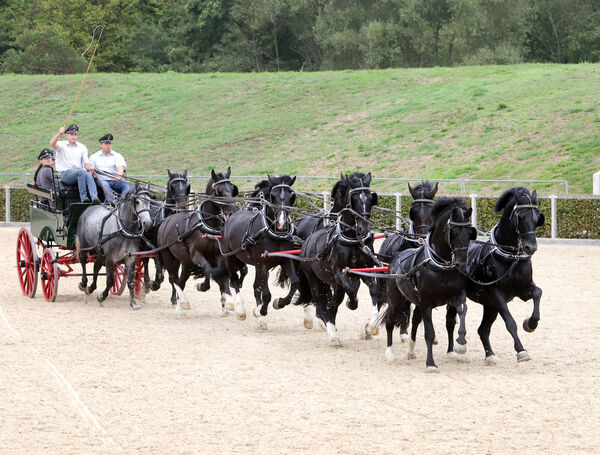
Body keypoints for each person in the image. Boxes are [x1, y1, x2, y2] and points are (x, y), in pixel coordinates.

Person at [50, 123, 99, 203]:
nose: (74, 136)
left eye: (75, 135)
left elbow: (86, 164)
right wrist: (59, 134)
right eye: (72, 134)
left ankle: (94, 197)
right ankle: (84, 198)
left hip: (80, 173)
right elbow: (52, 143)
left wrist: (90, 167)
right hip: (66, 174)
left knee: (89, 175)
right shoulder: (62, 145)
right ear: (67, 135)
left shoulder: (82, 147)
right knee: (81, 172)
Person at [89, 133, 130, 203]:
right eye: (106, 144)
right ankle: (112, 203)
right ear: (101, 145)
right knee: (105, 184)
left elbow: (120, 168)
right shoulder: (94, 157)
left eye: (110, 144)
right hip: (101, 181)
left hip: (115, 180)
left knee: (126, 185)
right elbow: (90, 171)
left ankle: (123, 202)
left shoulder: (117, 155)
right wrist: (92, 173)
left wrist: (118, 176)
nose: (108, 146)